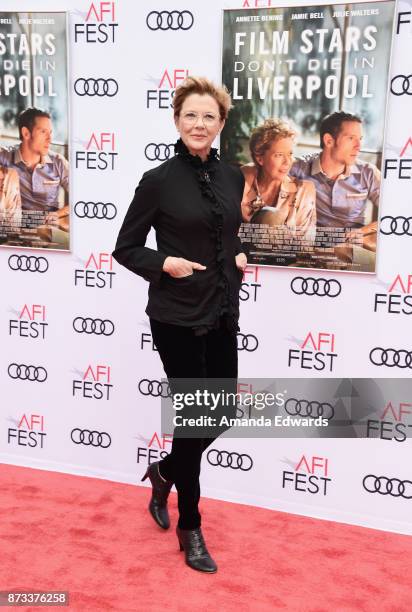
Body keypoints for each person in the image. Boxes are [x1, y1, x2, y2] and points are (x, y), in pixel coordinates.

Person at [112, 76, 246, 573]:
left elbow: (223, 233)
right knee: (194, 419)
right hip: (176, 316)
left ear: (221, 124)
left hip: (223, 309)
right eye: (191, 114)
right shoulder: (158, 180)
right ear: (176, 120)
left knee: (222, 412)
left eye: (209, 116)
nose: (199, 123)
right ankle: (191, 526)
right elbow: (125, 248)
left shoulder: (233, 176)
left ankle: (164, 470)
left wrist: (238, 252)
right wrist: (163, 263)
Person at [289, 111, 381, 229]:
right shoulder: (298, 169)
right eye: (351, 138)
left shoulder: (368, 173)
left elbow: (396, 210)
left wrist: (363, 233)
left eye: (360, 139)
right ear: (328, 141)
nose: (358, 146)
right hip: (312, 245)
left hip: (353, 245)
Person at [240, 119, 316, 242]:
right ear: (260, 159)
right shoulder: (244, 179)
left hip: (286, 259)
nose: (287, 162)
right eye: (279, 155)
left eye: (290, 154)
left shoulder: (303, 191)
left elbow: (306, 244)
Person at [0, 107, 69, 229]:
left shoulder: (58, 162)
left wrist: (58, 214)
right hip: (14, 228)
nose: (49, 139)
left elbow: (81, 197)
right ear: (26, 133)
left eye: (50, 132)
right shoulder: (4, 157)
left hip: (48, 228)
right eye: (43, 132)